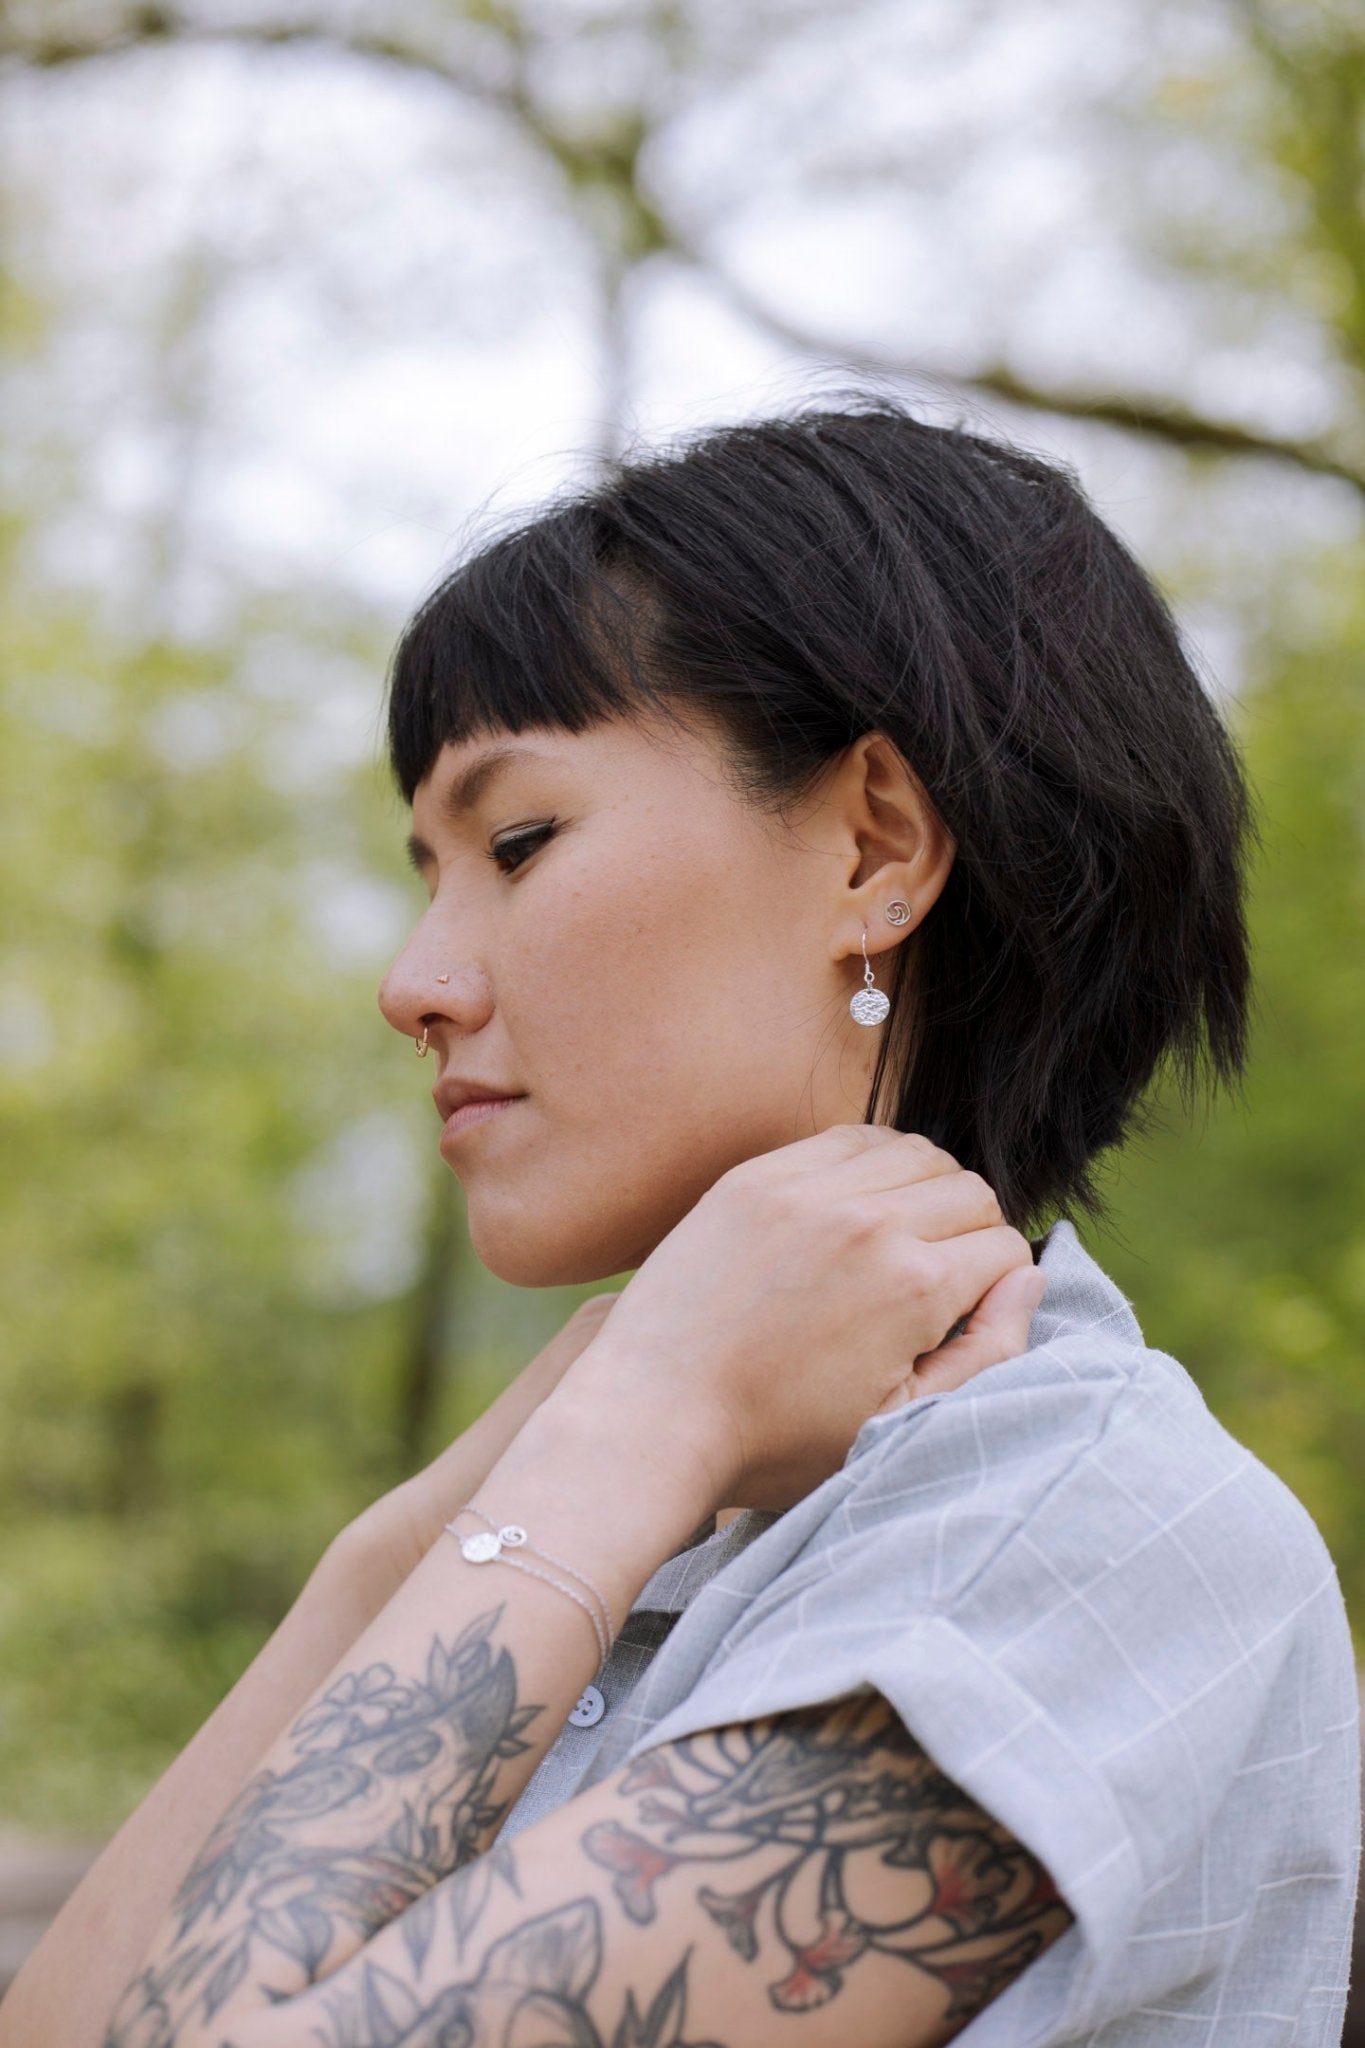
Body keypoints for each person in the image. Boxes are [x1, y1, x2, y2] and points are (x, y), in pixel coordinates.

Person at [4, 400, 1358, 2048]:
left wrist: (626, 1429)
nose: (412, 981)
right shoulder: (673, 1504)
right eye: (425, 873)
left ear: (876, 846)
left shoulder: (1070, 1542)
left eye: (517, 841)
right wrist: (419, 1533)